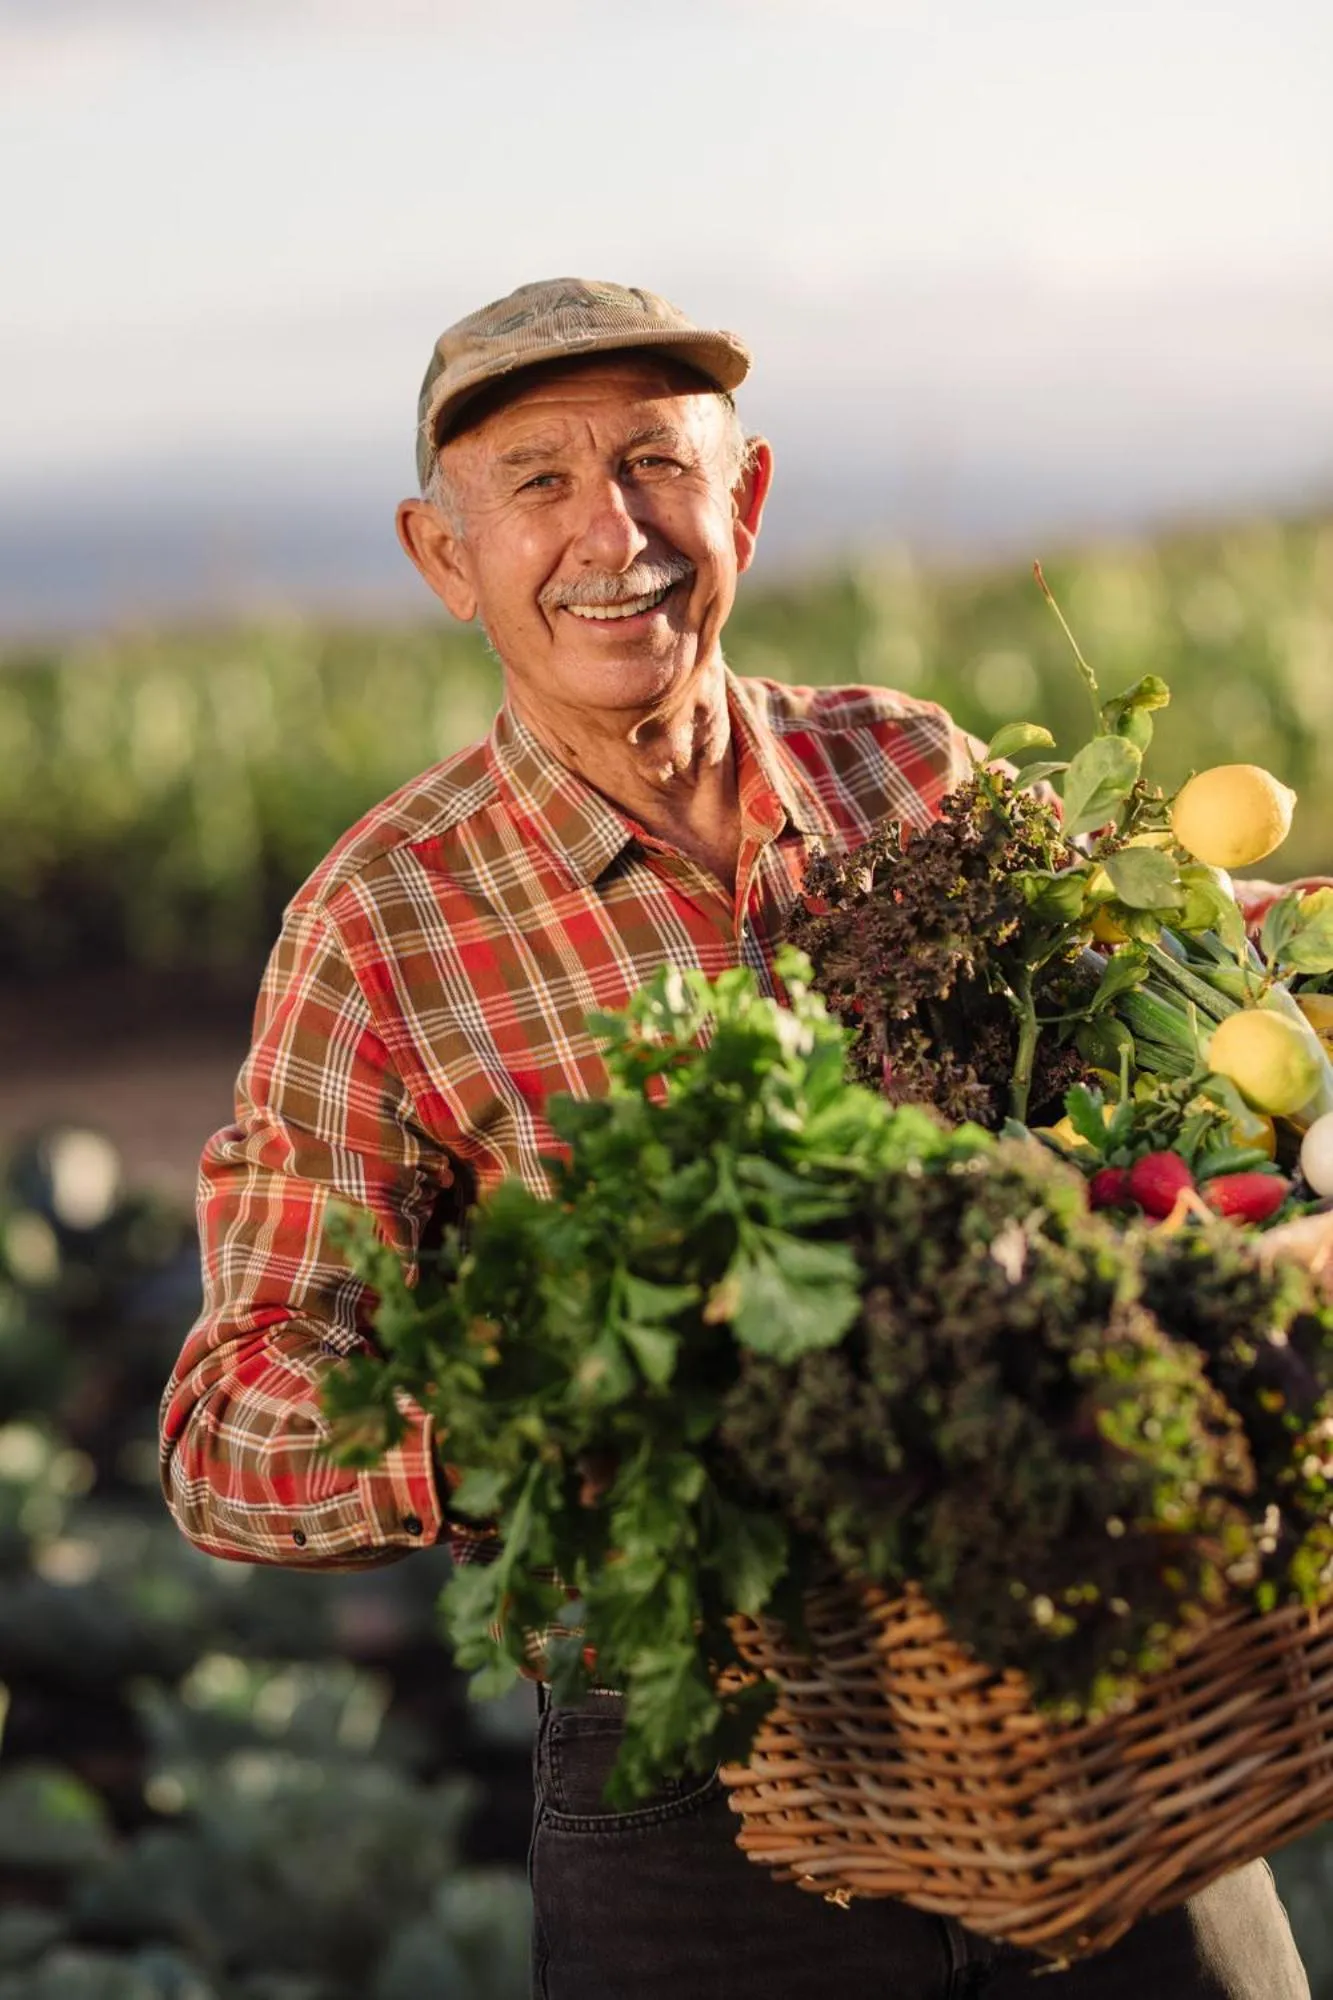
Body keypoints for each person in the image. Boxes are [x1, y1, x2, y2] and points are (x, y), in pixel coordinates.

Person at [160, 277, 1308, 1999]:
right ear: (441, 557)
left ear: (746, 501)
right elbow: (228, 1422)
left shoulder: (907, 771)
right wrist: (529, 1426)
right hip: (696, 1754)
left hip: (1073, 1666)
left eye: (653, 465)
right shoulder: (379, 927)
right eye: (535, 483)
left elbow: (1181, 978)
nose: (608, 530)